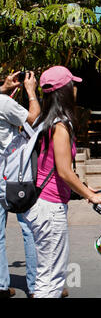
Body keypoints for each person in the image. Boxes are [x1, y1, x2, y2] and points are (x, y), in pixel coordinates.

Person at [23, 66, 101, 298]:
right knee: (51, 280)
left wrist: (83, 187)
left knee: (48, 274)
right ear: (64, 91)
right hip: (49, 209)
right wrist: (90, 195)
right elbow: (63, 171)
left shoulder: (45, 120)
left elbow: (51, 167)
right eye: (72, 85)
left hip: (41, 204)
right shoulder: (60, 126)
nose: (75, 90)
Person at [0, 71, 40, 298]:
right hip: (13, 176)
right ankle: (36, 287)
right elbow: (34, 119)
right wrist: (31, 92)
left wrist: (4, 88)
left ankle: (1, 285)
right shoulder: (5, 104)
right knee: (30, 228)